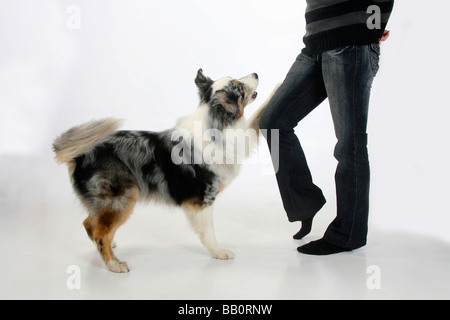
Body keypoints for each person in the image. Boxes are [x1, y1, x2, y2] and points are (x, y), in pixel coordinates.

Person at [259, 0, 394, 255]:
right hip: (316, 44)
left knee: (349, 143)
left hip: (350, 44)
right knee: (273, 123)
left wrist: (374, 25)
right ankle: (305, 203)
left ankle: (348, 234)